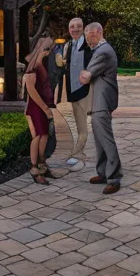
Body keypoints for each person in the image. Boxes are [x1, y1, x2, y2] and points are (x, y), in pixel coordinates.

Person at [78, 22, 123, 194]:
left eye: (88, 35)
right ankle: (103, 172)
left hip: (102, 102)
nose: (87, 39)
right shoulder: (102, 50)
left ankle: (114, 177)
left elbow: (85, 78)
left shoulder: (103, 52)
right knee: (99, 139)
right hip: (99, 101)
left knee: (106, 139)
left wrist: (81, 72)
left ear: (97, 32)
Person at [22, 36, 59, 185]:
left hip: (42, 106)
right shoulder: (33, 68)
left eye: (50, 49)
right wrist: (45, 109)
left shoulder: (40, 65)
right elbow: (31, 91)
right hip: (35, 107)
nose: (48, 52)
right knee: (37, 136)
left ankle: (42, 164)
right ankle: (34, 168)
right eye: (47, 48)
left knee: (44, 135)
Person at [56, 17, 92, 167]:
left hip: (86, 89)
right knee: (79, 124)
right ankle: (80, 152)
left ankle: (76, 154)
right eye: (72, 27)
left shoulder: (90, 44)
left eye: (78, 26)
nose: (75, 29)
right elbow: (64, 64)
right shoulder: (68, 45)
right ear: (69, 29)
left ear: (83, 28)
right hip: (73, 89)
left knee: (82, 126)